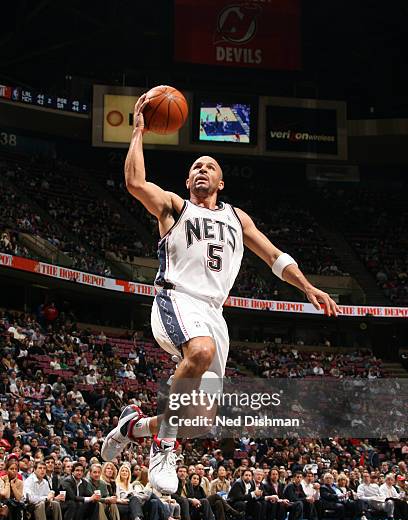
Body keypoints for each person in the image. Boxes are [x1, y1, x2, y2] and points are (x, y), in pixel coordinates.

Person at [101, 93, 339, 495]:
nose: (201, 170)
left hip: (214, 312)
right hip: (176, 298)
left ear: (220, 181)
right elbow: (135, 183)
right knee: (200, 353)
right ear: (187, 181)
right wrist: (138, 131)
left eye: (209, 167)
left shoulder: (236, 217)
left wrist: (309, 287)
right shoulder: (175, 208)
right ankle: (163, 446)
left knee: (201, 415)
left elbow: (275, 257)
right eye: (195, 166)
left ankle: (134, 426)